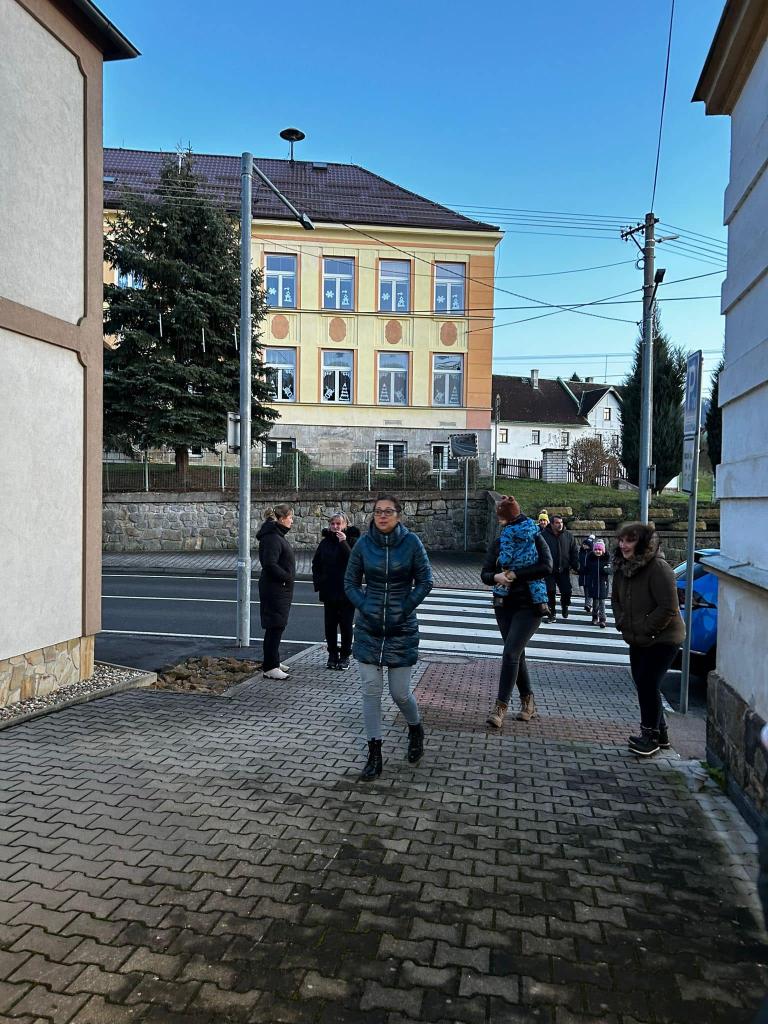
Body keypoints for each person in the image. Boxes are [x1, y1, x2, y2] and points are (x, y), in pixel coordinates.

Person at [344, 495, 432, 780]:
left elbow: (426, 580)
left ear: (398, 515)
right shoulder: (363, 544)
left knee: (400, 693)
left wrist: (404, 608)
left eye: (388, 511)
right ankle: (374, 753)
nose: (382, 516)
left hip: (400, 628)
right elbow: (350, 582)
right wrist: (365, 605)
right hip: (368, 628)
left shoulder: (411, 543)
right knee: (371, 690)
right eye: (378, 511)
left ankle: (415, 728)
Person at [611, 522, 685, 757]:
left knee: (648, 683)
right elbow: (615, 599)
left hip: (663, 638)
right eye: (621, 540)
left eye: (630, 540)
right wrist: (622, 621)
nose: (623, 545)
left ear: (642, 543)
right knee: (643, 683)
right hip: (637, 637)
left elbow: (669, 607)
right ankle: (661, 734)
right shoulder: (622, 567)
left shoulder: (658, 568)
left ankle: (650, 736)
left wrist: (645, 627)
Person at [481, 496, 553, 728]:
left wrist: (515, 574)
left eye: (501, 516)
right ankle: (528, 701)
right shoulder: (500, 542)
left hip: (531, 604)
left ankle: (500, 707)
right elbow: (485, 574)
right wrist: (496, 577)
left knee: (511, 654)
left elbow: (547, 566)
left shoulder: (535, 536)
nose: (498, 520)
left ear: (509, 517)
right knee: (516, 654)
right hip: (504, 605)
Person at [312, 512, 360, 670]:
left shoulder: (353, 541)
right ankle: (332, 654)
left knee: (346, 625)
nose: (335, 526)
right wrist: (320, 582)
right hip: (329, 590)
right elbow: (316, 564)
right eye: (333, 523)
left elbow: (355, 562)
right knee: (330, 625)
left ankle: (345, 656)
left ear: (346, 525)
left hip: (347, 591)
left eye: (339, 523)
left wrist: (343, 543)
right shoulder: (325, 543)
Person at [256, 504, 295, 680]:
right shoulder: (272, 537)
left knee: (278, 625)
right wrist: (286, 576)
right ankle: (270, 667)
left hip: (279, 588)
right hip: (275, 589)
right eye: (290, 517)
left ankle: (274, 661)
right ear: (281, 519)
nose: (292, 521)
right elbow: (270, 564)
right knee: (275, 626)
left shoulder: (276, 535)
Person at [541, 514, 579, 621]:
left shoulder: (568, 536)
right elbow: (539, 551)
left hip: (563, 569)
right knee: (550, 591)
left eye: (561, 522)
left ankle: (565, 605)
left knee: (566, 591)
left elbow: (574, 552)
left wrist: (576, 565)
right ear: (552, 524)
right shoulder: (543, 536)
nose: (560, 525)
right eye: (557, 523)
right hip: (549, 570)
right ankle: (551, 612)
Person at [584, 538, 610, 627]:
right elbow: (587, 570)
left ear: (603, 550)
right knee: (595, 603)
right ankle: (595, 617)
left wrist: (608, 569)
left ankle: (603, 619)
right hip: (593, 583)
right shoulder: (591, 559)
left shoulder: (606, 559)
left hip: (603, 584)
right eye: (596, 549)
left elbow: (610, 570)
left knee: (602, 603)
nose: (598, 551)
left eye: (599, 550)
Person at [578, 534, 595, 614]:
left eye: (585, 544)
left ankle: (589, 604)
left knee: (589, 589)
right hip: (583, 574)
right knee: (586, 590)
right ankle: (587, 604)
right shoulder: (581, 552)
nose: (583, 545)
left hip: (589, 574)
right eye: (583, 544)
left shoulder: (592, 553)